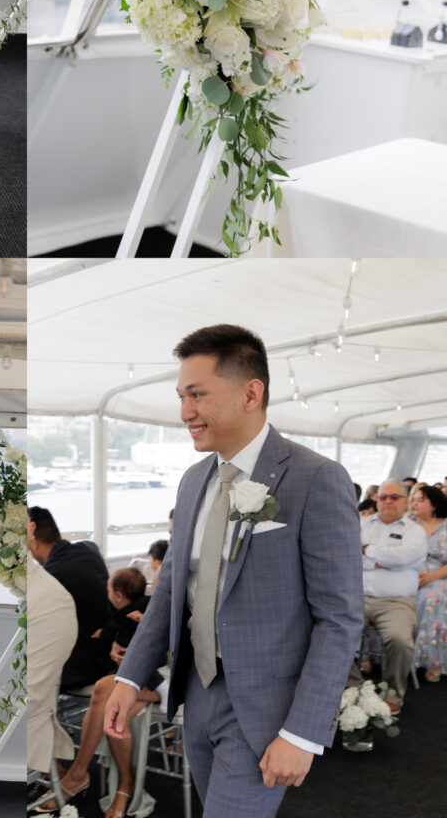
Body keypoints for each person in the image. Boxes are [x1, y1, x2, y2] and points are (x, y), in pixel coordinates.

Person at [103, 323, 363, 818]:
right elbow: (171, 593)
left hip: (266, 710)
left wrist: (302, 731)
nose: (185, 413)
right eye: (182, 396)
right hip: (196, 695)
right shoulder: (193, 480)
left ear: (251, 393)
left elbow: (340, 618)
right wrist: (129, 678)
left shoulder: (317, 479)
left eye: (197, 394)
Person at [37, 566, 163, 818]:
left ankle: (80, 775)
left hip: (164, 674)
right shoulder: (135, 608)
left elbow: (161, 635)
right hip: (142, 666)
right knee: (108, 700)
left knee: (104, 689)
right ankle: (111, 783)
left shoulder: (149, 605)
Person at [348, 480, 427, 710]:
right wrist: (383, 561)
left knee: (400, 640)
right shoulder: (360, 524)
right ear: (376, 500)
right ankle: (354, 690)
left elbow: (402, 558)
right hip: (355, 598)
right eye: (383, 497)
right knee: (334, 635)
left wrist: (366, 550)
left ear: (405, 502)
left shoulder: (415, 531)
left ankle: (392, 697)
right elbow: (346, 556)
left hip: (397, 603)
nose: (388, 502)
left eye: (394, 497)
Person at [28, 506, 113, 690]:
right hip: (105, 652)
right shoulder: (89, 549)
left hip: (82, 666)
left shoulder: (51, 577)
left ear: (33, 541)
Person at [27, 552, 78, 779]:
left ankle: (76, 774)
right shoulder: (74, 558)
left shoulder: (51, 590)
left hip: (79, 668)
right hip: (86, 660)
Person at [410, 484, 447, 681]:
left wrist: (430, 577)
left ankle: (433, 660)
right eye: (414, 499)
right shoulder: (407, 523)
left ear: (434, 504)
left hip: (439, 576)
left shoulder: (445, 526)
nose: (415, 503)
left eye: (421, 500)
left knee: (433, 597)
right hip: (406, 573)